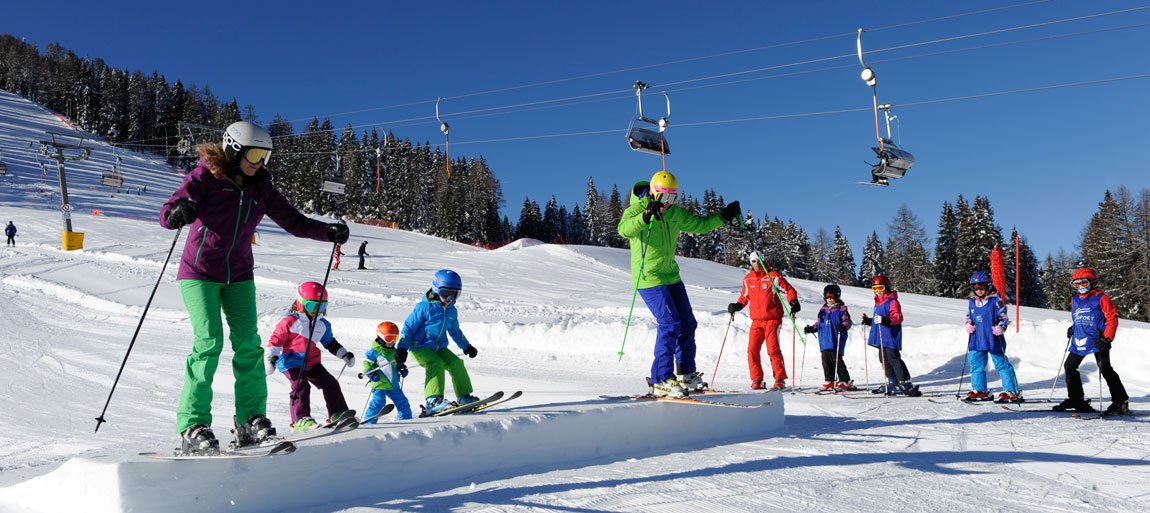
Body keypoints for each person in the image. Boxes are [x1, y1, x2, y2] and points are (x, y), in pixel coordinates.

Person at [159, 121, 350, 454]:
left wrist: (327, 232)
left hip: (240, 275)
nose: (262, 162)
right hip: (199, 272)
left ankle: (250, 421)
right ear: (234, 149)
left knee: (249, 344)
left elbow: (294, 221)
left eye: (266, 155)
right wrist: (178, 211)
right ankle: (193, 425)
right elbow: (168, 211)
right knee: (209, 341)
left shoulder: (261, 188)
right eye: (256, 154)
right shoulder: (205, 176)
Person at [618, 170, 741, 398]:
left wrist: (723, 217)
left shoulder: (674, 213)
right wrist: (646, 215)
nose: (667, 203)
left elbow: (700, 225)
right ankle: (660, 379)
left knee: (687, 323)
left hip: (671, 276)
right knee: (670, 323)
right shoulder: (636, 209)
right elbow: (624, 230)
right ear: (654, 194)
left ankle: (685, 373)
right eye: (664, 198)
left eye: (672, 198)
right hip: (649, 278)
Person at [265, 282, 356, 431]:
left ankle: (337, 413)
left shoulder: (323, 324)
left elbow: (330, 342)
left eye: (321, 307)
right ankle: (300, 419)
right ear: (301, 304)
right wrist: (271, 359)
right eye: (313, 306)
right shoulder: (289, 322)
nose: (317, 311)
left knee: (330, 383)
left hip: (311, 362)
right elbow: (275, 342)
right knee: (301, 385)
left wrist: (344, 354)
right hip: (291, 361)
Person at [397, 269, 482, 415]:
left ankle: (464, 397)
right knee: (435, 363)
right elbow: (408, 328)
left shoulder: (451, 310)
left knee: (456, 363)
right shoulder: (424, 308)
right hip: (419, 347)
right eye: (446, 294)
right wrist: (402, 348)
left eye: (455, 295)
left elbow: (455, 331)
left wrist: (466, 346)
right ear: (436, 290)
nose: (450, 299)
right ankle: (433, 401)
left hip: (439, 347)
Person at [1053, 267, 1129, 415]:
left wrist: (1107, 338)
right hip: (1081, 339)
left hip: (1099, 340)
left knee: (1105, 369)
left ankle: (1121, 401)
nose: (1080, 288)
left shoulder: (1102, 299)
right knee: (1069, 366)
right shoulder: (1075, 299)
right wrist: (1073, 328)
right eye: (1076, 284)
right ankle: (1076, 399)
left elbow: (1112, 320)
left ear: (1093, 283)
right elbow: (1078, 317)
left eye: (1084, 284)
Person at [729, 251, 800, 390]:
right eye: (753, 261)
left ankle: (780, 379)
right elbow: (744, 297)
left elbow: (789, 289)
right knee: (752, 350)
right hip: (757, 321)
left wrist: (793, 301)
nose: (756, 264)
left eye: (758, 261)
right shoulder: (748, 279)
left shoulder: (773, 276)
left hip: (772, 319)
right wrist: (737, 306)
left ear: (762, 260)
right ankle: (757, 379)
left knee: (773, 350)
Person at [963, 271, 1020, 403]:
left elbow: (1004, 316)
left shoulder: (996, 300)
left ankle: (1012, 390)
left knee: (1001, 364)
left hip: (993, 337)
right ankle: (980, 390)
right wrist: (968, 324)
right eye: (976, 288)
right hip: (977, 338)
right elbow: (968, 316)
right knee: (976, 364)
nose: (979, 291)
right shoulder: (972, 302)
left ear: (988, 285)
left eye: (981, 287)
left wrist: (1001, 326)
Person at [861, 275, 921, 396]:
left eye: (880, 288)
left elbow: (898, 317)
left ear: (886, 287)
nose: (878, 291)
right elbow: (879, 319)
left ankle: (904, 382)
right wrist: (869, 321)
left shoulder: (892, 301)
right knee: (883, 360)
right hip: (880, 336)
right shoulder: (877, 303)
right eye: (875, 289)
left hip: (890, 335)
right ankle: (892, 381)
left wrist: (886, 320)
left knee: (893, 359)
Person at [803, 284, 854, 391]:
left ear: (837, 297)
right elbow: (819, 323)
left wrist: (844, 326)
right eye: (827, 298)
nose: (829, 300)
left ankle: (846, 381)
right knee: (825, 361)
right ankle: (830, 380)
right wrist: (812, 328)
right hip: (824, 340)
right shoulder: (823, 310)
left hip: (836, 339)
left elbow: (848, 321)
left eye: (832, 297)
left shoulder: (841, 309)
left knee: (837, 361)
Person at [362, 321, 413, 422]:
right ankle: (369, 422)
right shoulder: (374, 352)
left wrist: (401, 368)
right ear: (380, 337)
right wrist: (371, 373)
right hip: (379, 384)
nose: (392, 342)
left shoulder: (395, 352)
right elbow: (366, 365)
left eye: (395, 338)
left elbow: (397, 364)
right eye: (389, 338)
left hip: (393, 384)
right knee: (378, 403)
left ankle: (406, 420)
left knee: (402, 402)